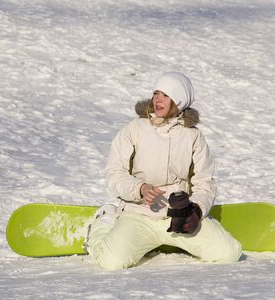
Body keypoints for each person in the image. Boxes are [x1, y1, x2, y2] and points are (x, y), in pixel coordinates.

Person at [85, 72, 242, 270]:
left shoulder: (193, 136)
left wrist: (197, 210)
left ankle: (171, 241)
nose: (158, 99)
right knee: (111, 262)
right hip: (139, 214)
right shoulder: (134, 129)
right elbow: (114, 172)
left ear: (179, 101)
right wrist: (139, 189)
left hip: (178, 216)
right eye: (156, 93)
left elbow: (205, 181)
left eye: (166, 95)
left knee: (228, 253)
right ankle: (104, 221)